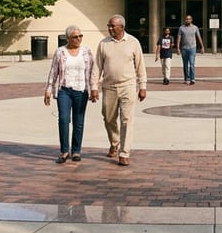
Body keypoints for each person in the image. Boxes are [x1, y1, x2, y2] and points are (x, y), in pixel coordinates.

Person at [91, 14, 147, 166]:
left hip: (128, 86)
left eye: (112, 26)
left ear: (122, 27)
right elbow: (97, 66)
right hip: (109, 87)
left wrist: (142, 87)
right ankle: (114, 142)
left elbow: (140, 66)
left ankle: (124, 152)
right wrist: (94, 87)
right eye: (108, 25)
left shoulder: (133, 42)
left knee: (126, 120)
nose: (109, 28)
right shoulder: (104, 44)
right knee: (108, 118)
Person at [45, 25, 95, 163]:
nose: (78, 39)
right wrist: (49, 89)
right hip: (64, 90)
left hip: (81, 90)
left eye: (80, 36)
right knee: (64, 119)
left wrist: (94, 89)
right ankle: (65, 151)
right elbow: (53, 71)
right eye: (75, 37)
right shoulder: (60, 52)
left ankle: (76, 151)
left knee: (79, 121)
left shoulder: (86, 52)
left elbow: (92, 72)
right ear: (68, 38)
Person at [176, 14, 204, 85]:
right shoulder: (181, 28)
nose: (187, 20)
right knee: (185, 65)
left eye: (189, 19)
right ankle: (186, 78)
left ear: (191, 20)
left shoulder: (195, 28)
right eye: (186, 19)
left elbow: (198, 37)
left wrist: (202, 46)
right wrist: (178, 48)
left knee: (192, 64)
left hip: (192, 48)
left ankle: (192, 79)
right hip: (184, 49)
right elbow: (179, 38)